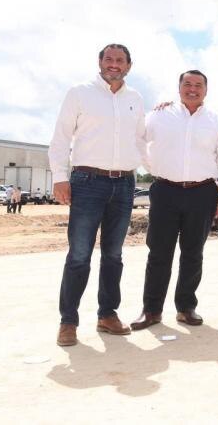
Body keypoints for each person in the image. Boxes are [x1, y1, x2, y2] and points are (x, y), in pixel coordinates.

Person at [49, 43, 145, 346]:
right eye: (109, 59)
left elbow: (141, 139)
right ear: (100, 62)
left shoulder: (135, 98)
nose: (114, 64)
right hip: (87, 181)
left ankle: (107, 314)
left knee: (114, 255)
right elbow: (61, 137)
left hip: (125, 184)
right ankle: (68, 321)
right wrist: (61, 178)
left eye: (120, 60)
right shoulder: (79, 93)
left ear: (129, 66)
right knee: (79, 255)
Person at [130, 70, 218, 331]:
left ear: (206, 90)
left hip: (202, 193)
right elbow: (137, 139)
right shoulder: (159, 115)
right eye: (187, 84)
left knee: (193, 253)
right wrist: (152, 165)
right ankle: (152, 310)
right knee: (159, 253)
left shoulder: (217, 122)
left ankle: (186, 307)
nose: (192, 89)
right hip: (165, 191)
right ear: (178, 88)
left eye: (198, 85)